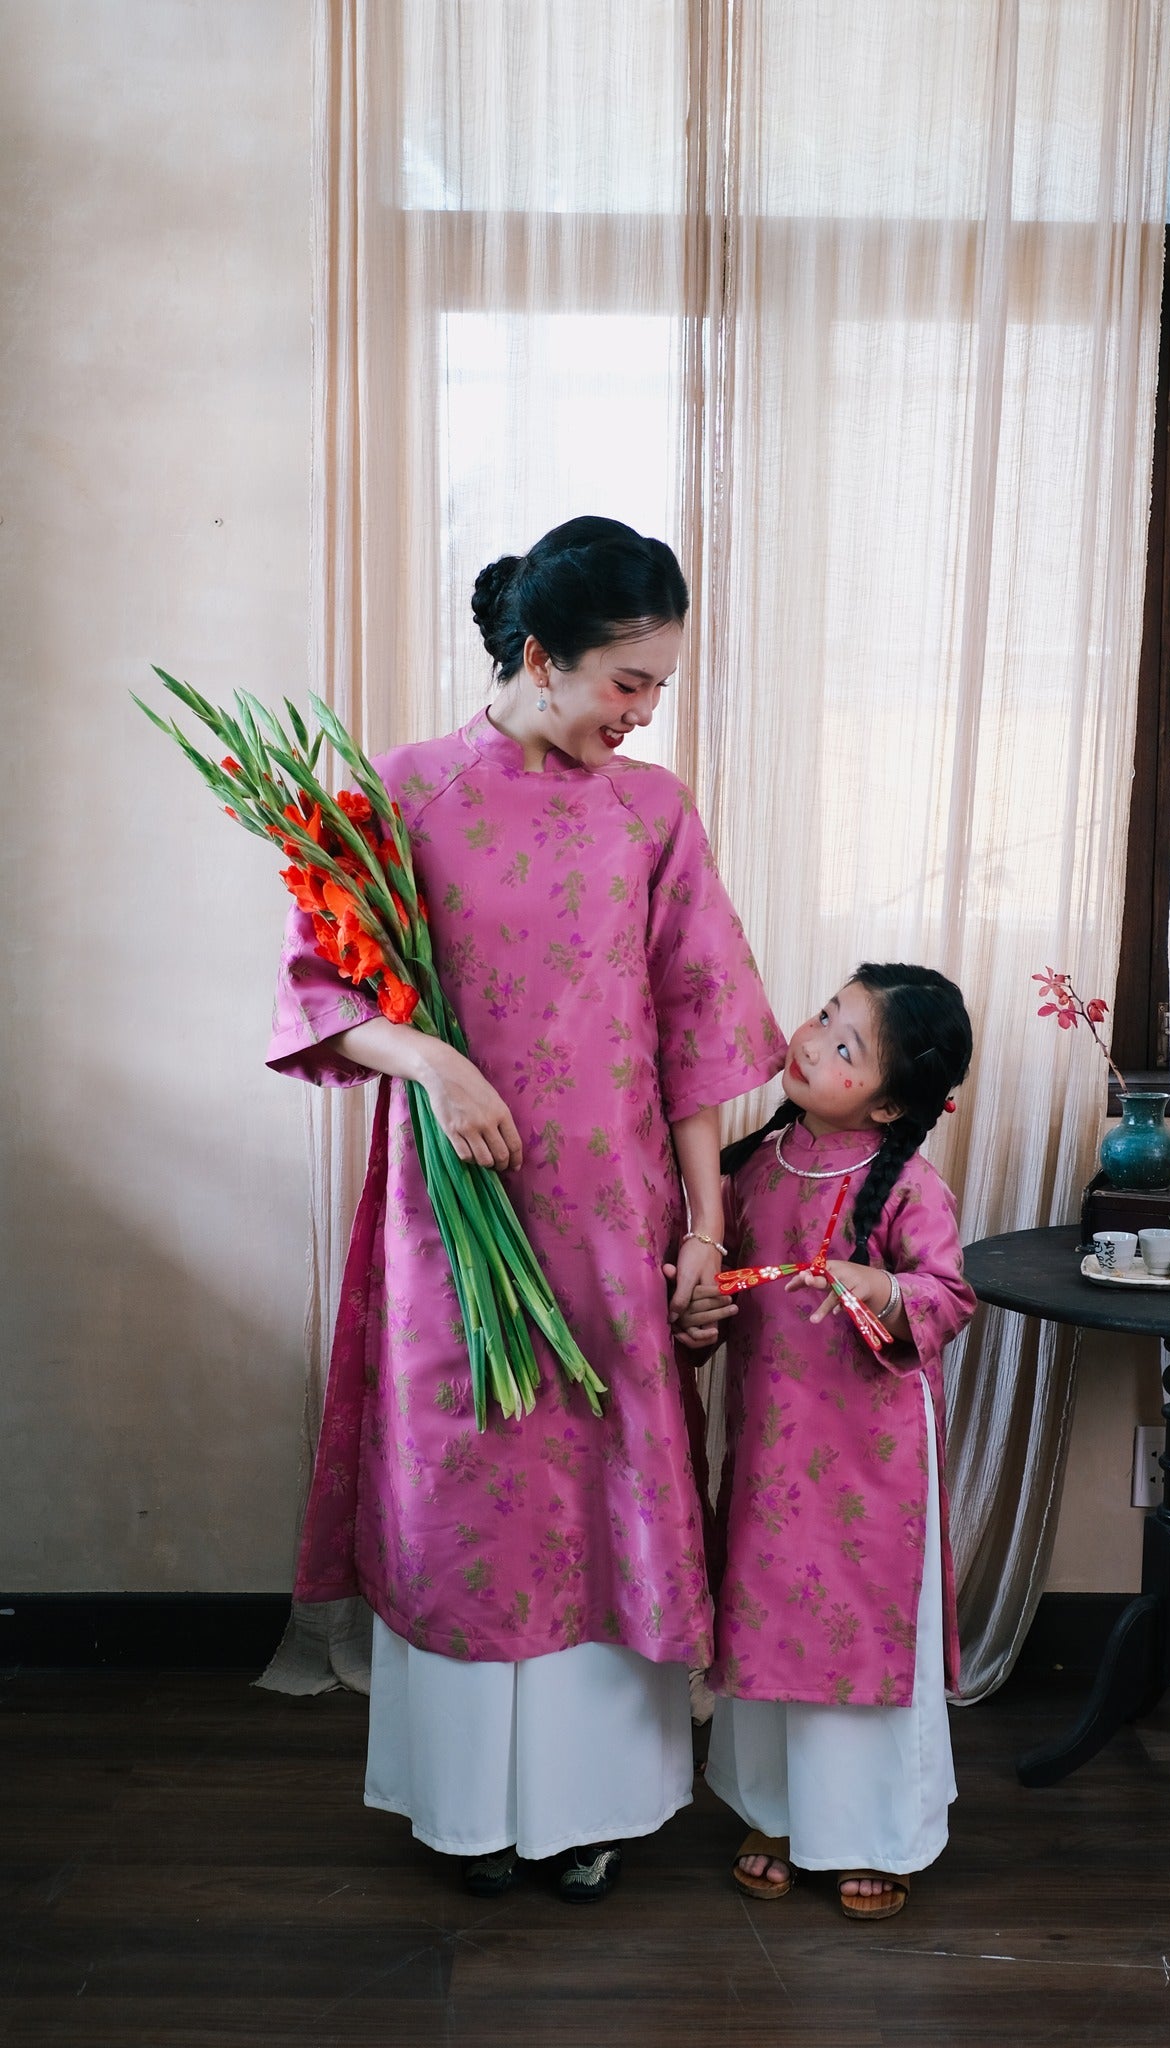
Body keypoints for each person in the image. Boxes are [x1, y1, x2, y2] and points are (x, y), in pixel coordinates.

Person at [267, 516, 784, 1901]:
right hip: (457, 1216)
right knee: (468, 1490)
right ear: (540, 657)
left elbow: (696, 1028)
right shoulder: (405, 792)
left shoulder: (655, 812)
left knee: (607, 1494)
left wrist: (701, 1224)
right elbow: (323, 993)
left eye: (659, 689)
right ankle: (465, 1812)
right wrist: (431, 1060)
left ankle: (589, 1809)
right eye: (628, 683)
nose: (643, 714)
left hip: (614, 1215)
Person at [679, 964, 974, 1920]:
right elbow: (716, 1293)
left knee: (860, 1635)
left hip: (873, 1461)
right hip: (771, 1452)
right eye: (823, 1016)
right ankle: (772, 1810)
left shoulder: (909, 1188)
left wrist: (874, 1282)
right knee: (766, 1620)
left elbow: (947, 1296)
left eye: (845, 1046)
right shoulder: (748, 1170)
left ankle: (875, 1832)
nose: (810, 1041)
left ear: (890, 1101)